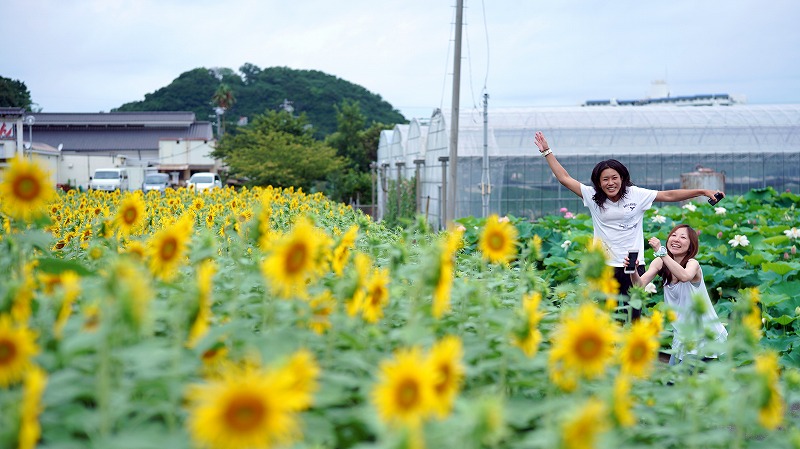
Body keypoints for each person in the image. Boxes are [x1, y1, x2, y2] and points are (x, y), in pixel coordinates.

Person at [533, 131, 723, 320]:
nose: (610, 182)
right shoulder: (592, 197)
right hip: (603, 265)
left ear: (622, 178)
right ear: (598, 183)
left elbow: (668, 196)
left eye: (614, 177)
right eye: (605, 179)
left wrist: (702, 191)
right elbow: (564, 178)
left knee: (633, 315)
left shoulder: (636, 194)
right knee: (607, 317)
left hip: (632, 264)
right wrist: (547, 152)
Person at [629, 224, 728, 364]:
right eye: (674, 235)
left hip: (703, 336)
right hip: (682, 335)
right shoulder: (660, 262)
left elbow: (685, 276)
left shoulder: (693, 264)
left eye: (683, 237)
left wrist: (661, 251)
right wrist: (632, 270)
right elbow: (638, 286)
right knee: (673, 382)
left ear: (690, 246)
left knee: (677, 382)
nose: (676, 239)